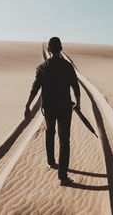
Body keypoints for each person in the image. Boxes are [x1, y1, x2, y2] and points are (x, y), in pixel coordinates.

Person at [24, 37, 81, 186]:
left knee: (50, 132)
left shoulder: (42, 68)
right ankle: (62, 176)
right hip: (64, 108)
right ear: (61, 49)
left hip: (49, 107)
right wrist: (78, 104)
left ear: (49, 50)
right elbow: (75, 87)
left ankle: (51, 162)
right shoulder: (68, 67)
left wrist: (28, 105)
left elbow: (35, 88)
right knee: (65, 140)